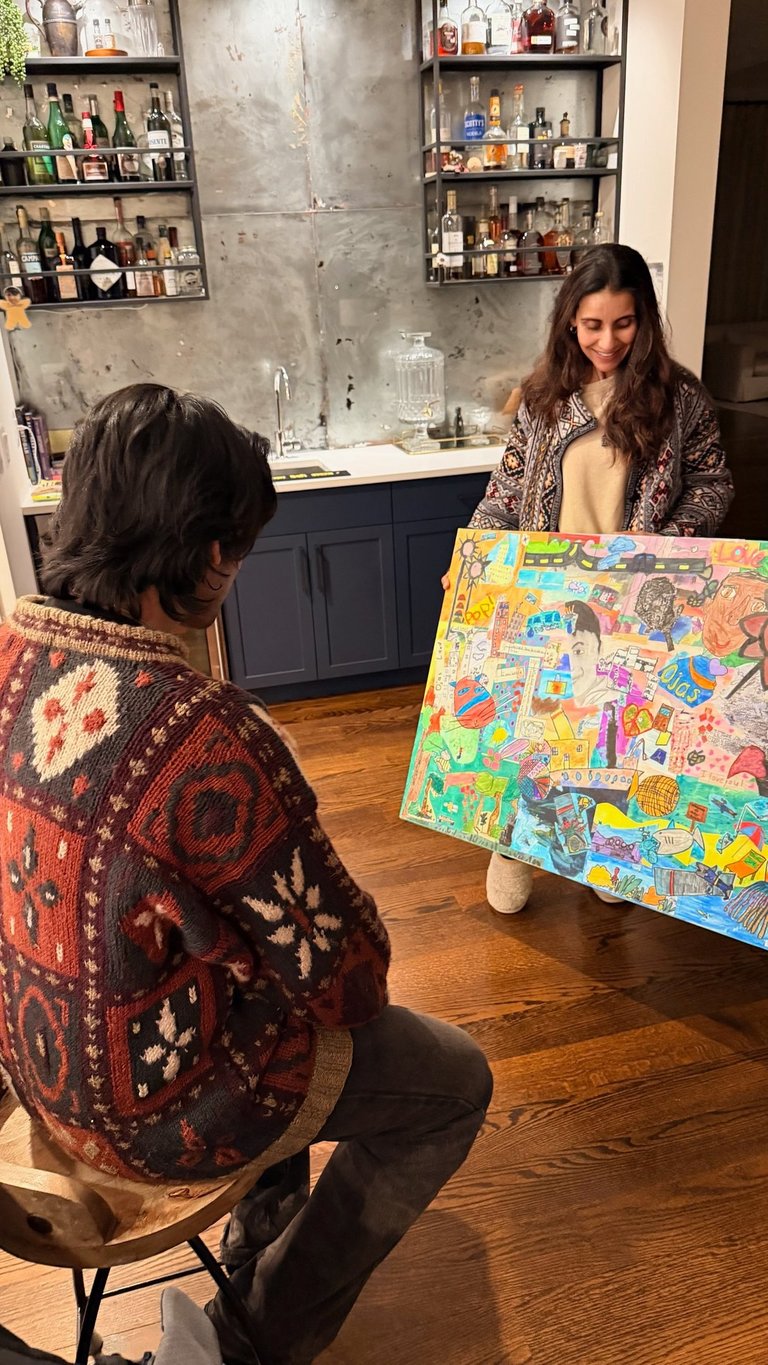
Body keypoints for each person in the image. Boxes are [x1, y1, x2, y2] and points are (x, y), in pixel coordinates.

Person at [0, 384, 492, 1365]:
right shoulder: (206, 735)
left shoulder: (12, 655)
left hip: (36, 1074)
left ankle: (264, 1220)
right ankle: (253, 1334)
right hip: (150, 1118)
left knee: (252, 975)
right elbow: (350, 980)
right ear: (209, 553)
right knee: (454, 1084)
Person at [445, 244, 734, 915]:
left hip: (636, 602)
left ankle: (608, 850)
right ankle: (514, 846)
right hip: (546, 597)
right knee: (537, 727)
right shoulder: (543, 398)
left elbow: (713, 483)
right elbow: (504, 492)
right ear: (570, 322)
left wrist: (661, 548)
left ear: (645, 320)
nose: (608, 341)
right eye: (593, 325)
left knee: (615, 733)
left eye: (623, 323)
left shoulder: (681, 399)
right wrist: (471, 557)